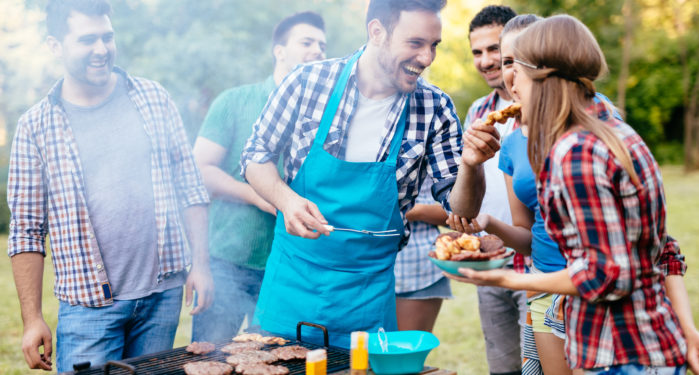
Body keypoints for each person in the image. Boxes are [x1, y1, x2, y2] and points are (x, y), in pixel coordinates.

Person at [447, 15, 699, 375]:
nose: (512, 88)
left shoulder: (576, 152)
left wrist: (509, 279)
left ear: (546, 77)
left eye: (519, 74)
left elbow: (607, 276)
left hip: (616, 352)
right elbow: (659, 247)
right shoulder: (617, 134)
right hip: (645, 342)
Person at [241, 0, 494, 348]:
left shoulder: (435, 108)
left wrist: (471, 164)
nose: (427, 58)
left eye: (433, 45)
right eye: (415, 43)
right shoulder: (307, 82)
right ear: (377, 31)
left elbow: (461, 209)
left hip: (367, 297)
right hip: (292, 283)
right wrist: (287, 200)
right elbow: (255, 155)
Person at [7, 0, 213, 371]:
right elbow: (26, 231)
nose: (101, 49)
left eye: (107, 37)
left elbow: (190, 188)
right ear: (56, 46)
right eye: (87, 39)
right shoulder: (34, 126)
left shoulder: (153, 98)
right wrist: (32, 318)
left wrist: (201, 264)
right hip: (88, 307)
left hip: (161, 296)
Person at [191, 11, 327, 343]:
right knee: (210, 357)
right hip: (228, 261)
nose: (317, 51)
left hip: (293, 265)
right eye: (306, 42)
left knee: (279, 359)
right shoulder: (235, 101)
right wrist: (258, 195)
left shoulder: (326, 114)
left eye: (322, 46)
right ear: (279, 50)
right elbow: (199, 171)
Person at [462, 6, 527, 375]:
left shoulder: (542, 108)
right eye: (477, 52)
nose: (486, 61)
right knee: (502, 367)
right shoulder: (478, 111)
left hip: (538, 263)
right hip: (492, 260)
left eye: (494, 50)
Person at [394, 179, 450, 333]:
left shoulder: (439, 155)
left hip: (416, 273)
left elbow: (461, 212)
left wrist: (411, 210)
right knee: (360, 353)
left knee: (406, 354)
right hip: (360, 270)